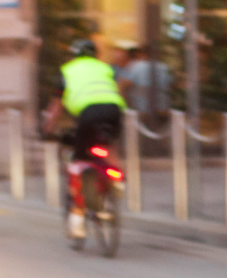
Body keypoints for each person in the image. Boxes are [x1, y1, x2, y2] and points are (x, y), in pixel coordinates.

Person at [42, 38, 127, 239]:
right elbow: (114, 88)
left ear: (74, 55)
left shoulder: (68, 70)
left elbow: (56, 107)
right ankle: (117, 178)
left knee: (78, 163)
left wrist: (47, 129)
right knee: (108, 147)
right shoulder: (105, 68)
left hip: (88, 114)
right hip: (113, 109)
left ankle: (77, 220)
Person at [116, 45, 171, 115]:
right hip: (163, 110)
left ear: (141, 54)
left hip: (142, 111)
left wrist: (124, 107)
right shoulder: (164, 67)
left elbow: (122, 86)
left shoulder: (136, 66)